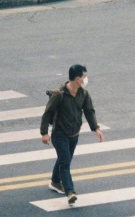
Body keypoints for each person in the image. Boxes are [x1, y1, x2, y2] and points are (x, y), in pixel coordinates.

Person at [40, 64, 104, 205]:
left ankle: (55, 182)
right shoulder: (59, 94)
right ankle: (70, 192)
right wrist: (44, 133)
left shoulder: (84, 93)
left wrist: (96, 128)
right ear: (77, 79)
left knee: (64, 159)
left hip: (74, 134)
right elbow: (47, 113)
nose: (86, 79)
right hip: (60, 134)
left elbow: (89, 111)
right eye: (84, 76)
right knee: (65, 162)